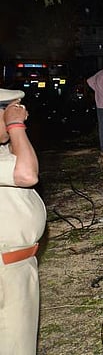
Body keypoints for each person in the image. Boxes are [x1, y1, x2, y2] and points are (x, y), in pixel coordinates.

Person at [0, 88, 46, 355]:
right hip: (5, 270)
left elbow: (22, 161)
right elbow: (27, 174)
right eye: (12, 110)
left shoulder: (4, 150)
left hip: (17, 265)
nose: (22, 116)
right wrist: (15, 126)